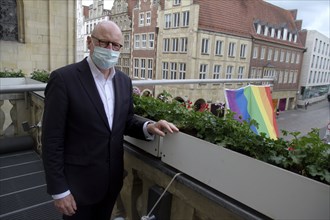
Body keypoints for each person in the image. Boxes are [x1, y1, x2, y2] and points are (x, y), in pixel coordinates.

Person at [41, 20, 179, 220]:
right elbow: (52, 139)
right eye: (104, 43)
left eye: (116, 45)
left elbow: (125, 120)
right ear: (90, 42)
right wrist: (59, 190)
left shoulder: (123, 81)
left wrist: (149, 127)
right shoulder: (63, 79)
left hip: (111, 183)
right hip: (77, 187)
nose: (110, 49)